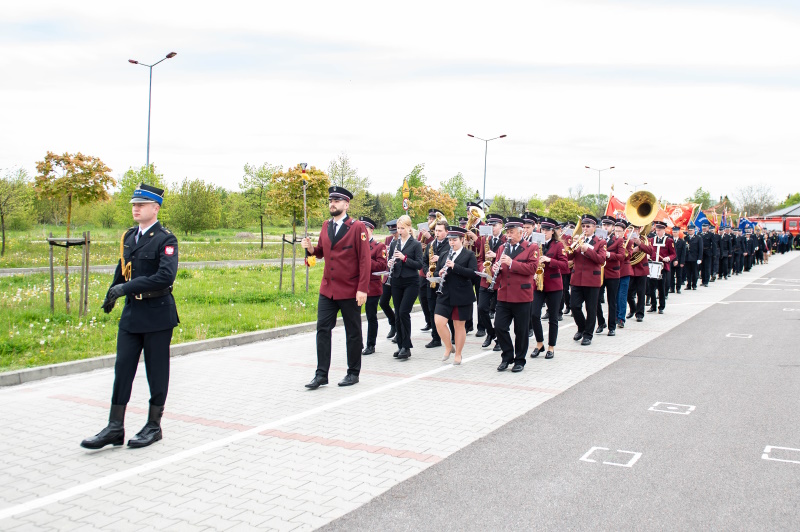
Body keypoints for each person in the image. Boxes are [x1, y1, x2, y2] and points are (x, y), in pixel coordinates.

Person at [81, 184, 179, 450]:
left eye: (141, 205)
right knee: (123, 368)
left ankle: (153, 426)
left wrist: (126, 288)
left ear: (155, 208)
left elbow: (165, 276)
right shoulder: (129, 236)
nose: (135, 209)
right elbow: (123, 267)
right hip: (132, 314)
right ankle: (115, 427)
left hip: (157, 315)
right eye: (134, 205)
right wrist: (112, 292)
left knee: (156, 372)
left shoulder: (166, 239)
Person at [301, 186, 371, 390]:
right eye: (331, 201)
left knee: (353, 332)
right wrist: (311, 249)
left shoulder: (357, 227)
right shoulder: (326, 225)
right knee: (322, 329)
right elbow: (321, 252)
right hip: (328, 289)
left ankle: (353, 372)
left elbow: (365, 260)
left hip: (350, 290)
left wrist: (362, 289)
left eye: (337, 201)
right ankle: (321, 374)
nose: (332, 204)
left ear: (346, 204)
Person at [492, 217, 539, 372]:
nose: (508, 235)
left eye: (511, 232)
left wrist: (512, 263)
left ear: (520, 232)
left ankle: (519, 360)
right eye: (507, 232)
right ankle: (507, 356)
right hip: (504, 294)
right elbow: (498, 268)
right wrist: (495, 269)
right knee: (499, 327)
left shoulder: (531, 247)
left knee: (521, 331)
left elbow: (532, 269)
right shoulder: (502, 248)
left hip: (522, 296)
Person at [435, 226, 478, 365]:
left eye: (454, 240)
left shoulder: (469, 255)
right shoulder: (444, 254)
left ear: (462, 240)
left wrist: (455, 266)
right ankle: (448, 347)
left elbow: (472, 273)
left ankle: (458, 354)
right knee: (439, 322)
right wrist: (439, 273)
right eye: (450, 240)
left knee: (459, 325)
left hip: (461, 295)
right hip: (444, 293)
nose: (452, 243)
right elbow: (436, 271)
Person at [530, 217, 567, 359]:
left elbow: (564, 265)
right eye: (543, 229)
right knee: (534, 314)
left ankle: (551, 347)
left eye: (547, 230)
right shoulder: (535, 245)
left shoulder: (558, 245)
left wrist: (549, 260)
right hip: (538, 283)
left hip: (553, 285)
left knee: (553, 317)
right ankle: (540, 343)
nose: (544, 232)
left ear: (552, 231)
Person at [389, 215, 424, 360]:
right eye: (398, 228)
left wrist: (404, 258)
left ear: (409, 228)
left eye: (402, 228)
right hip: (397, 281)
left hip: (411, 282)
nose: (399, 231)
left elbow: (419, 265)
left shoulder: (415, 244)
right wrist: (390, 263)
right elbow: (390, 259)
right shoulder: (394, 244)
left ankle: (406, 346)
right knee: (398, 314)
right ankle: (400, 346)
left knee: (404, 312)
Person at [568, 214, 607, 345]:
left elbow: (601, 260)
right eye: (583, 226)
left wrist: (588, 250)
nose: (585, 229)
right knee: (574, 306)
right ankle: (581, 327)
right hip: (577, 279)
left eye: (588, 226)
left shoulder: (601, 242)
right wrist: (572, 246)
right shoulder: (579, 240)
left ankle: (588, 335)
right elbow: (569, 256)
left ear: (594, 227)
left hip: (592, 280)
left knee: (591, 309)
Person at [477, 214, 506, 350]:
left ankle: (499, 338)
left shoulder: (506, 240)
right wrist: (483, 267)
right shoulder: (485, 239)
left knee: (499, 312)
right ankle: (490, 333)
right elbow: (480, 259)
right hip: (486, 279)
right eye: (490, 225)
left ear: (500, 226)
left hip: (500, 280)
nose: (492, 228)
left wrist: (496, 256)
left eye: (494, 225)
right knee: (481, 308)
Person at [360, 216, 388, 355]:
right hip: (357, 286)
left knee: (371, 316)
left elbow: (382, 265)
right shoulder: (357, 246)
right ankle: (357, 343)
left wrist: (366, 260)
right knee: (354, 317)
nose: (363, 232)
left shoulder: (379, 246)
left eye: (365, 229)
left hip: (372, 286)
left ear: (371, 230)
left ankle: (371, 345)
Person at [424, 219, 451, 349]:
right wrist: (427, 272)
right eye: (436, 230)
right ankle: (435, 338)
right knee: (432, 310)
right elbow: (424, 261)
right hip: (432, 281)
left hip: (445, 281)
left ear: (447, 232)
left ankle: (453, 335)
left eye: (440, 231)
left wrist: (440, 259)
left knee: (448, 310)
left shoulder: (450, 244)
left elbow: (453, 259)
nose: (437, 233)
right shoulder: (431, 244)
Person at [595, 216, 624, 337]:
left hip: (612, 273)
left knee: (612, 301)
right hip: (599, 273)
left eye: (608, 225)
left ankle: (612, 327)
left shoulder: (618, 240)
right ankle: (601, 322)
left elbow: (622, 256)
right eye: (604, 225)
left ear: (612, 227)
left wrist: (609, 255)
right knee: (596, 299)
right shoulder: (597, 239)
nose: (605, 227)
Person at [642, 221, 676, 314]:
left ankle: (661, 306)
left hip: (662, 267)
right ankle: (653, 305)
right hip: (653, 265)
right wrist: (648, 255)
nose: (658, 232)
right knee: (651, 287)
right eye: (657, 230)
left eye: (659, 230)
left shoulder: (669, 240)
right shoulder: (651, 240)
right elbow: (649, 251)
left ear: (664, 230)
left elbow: (673, 254)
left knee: (661, 287)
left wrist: (668, 258)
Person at [417, 210, 437, 332]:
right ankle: (428, 321)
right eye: (429, 218)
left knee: (433, 299)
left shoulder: (439, 232)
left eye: (433, 219)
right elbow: (418, 245)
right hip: (424, 270)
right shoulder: (423, 232)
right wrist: (420, 246)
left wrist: (430, 238)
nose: (430, 221)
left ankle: (435, 323)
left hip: (435, 269)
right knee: (422, 297)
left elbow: (439, 246)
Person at [627, 225, 650, 321]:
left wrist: (640, 244)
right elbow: (624, 253)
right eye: (631, 229)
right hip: (630, 269)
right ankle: (633, 309)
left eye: (635, 229)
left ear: (639, 229)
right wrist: (633, 251)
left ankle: (640, 314)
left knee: (641, 293)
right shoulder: (627, 240)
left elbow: (650, 251)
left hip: (642, 270)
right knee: (628, 293)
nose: (633, 231)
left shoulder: (644, 240)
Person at [380, 220, 398, 341]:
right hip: (388, 275)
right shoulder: (388, 240)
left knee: (398, 305)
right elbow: (384, 257)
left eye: (395, 232)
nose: (393, 235)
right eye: (392, 232)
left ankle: (399, 331)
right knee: (383, 302)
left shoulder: (404, 240)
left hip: (399, 276)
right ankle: (393, 323)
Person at [615, 220, 633, 329]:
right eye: (616, 231)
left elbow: (629, 255)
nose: (617, 233)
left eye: (619, 231)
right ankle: (615, 316)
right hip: (614, 271)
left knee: (622, 295)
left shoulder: (628, 242)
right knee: (614, 296)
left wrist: (622, 247)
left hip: (624, 271)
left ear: (624, 232)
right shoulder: (612, 241)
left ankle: (621, 318)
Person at [684, 223, 703, 289]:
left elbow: (700, 249)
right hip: (687, 258)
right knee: (688, 272)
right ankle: (688, 285)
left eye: (691, 230)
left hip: (695, 258)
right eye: (689, 230)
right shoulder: (685, 238)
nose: (690, 231)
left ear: (694, 230)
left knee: (695, 272)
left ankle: (694, 285)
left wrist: (700, 258)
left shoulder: (698, 238)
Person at [670, 226, 687, 293]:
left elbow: (683, 253)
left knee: (679, 275)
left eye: (676, 232)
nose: (674, 233)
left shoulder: (682, 241)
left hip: (679, 261)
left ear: (678, 232)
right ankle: (672, 288)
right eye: (673, 232)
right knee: (671, 275)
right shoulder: (669, 241)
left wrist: (682, 262)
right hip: (671, 260)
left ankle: (678, 288)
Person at [700, 222, 713, 286]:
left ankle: (706, 281)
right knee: (702, 267)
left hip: (708, 252)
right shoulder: (699, 234)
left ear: (708, 228)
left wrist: (713, 253)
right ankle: (703, 280)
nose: (704, 229)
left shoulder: (710, 235)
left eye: (705, 227)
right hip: (701, 253)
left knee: (707, 267)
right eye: (703, 227)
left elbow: (714, 244)